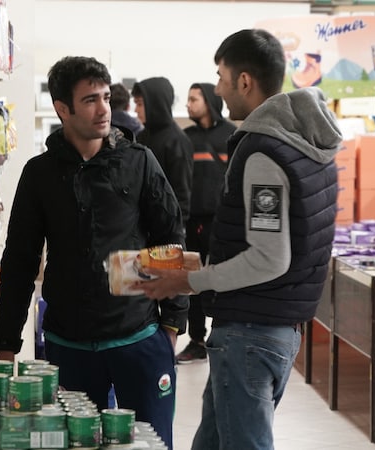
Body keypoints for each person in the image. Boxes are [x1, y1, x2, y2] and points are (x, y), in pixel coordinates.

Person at [134, 29, 343, 450]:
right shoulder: (307, 142)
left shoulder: (265, 152)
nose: (217, 87)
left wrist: (188, 282)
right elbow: (285, 239)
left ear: (244, 81)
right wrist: (201, 264)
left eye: (221, 76)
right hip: (277, 323)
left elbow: (269, 258)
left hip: (252, 332)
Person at [0, 56, 187, 450]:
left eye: (104, 97)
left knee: (152, 444)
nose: (104, 109)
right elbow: (20, 261)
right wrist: (5, 346)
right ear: (62, 108)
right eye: (89, 100)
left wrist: (172, 325)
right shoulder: (40, 174)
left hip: (139, 337)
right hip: (70, 345)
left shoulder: (138, 162)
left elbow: (171, 240)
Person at [175, 83, 236, 364]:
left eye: (193, 99)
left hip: (222, 221)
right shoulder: (184, 137)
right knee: (193, 282)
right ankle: (197, 340)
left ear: (209, 101)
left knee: (225, 280)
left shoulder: (231, 135)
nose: (188, 104)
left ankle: (225, 336)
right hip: (190, 221)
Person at [132, 77, 194, 222]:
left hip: (167, 225)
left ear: (155, 105)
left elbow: (182, 193)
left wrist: (178, 230)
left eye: (140, 104)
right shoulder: (142, 136)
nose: (136, 110)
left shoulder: (177, 141)